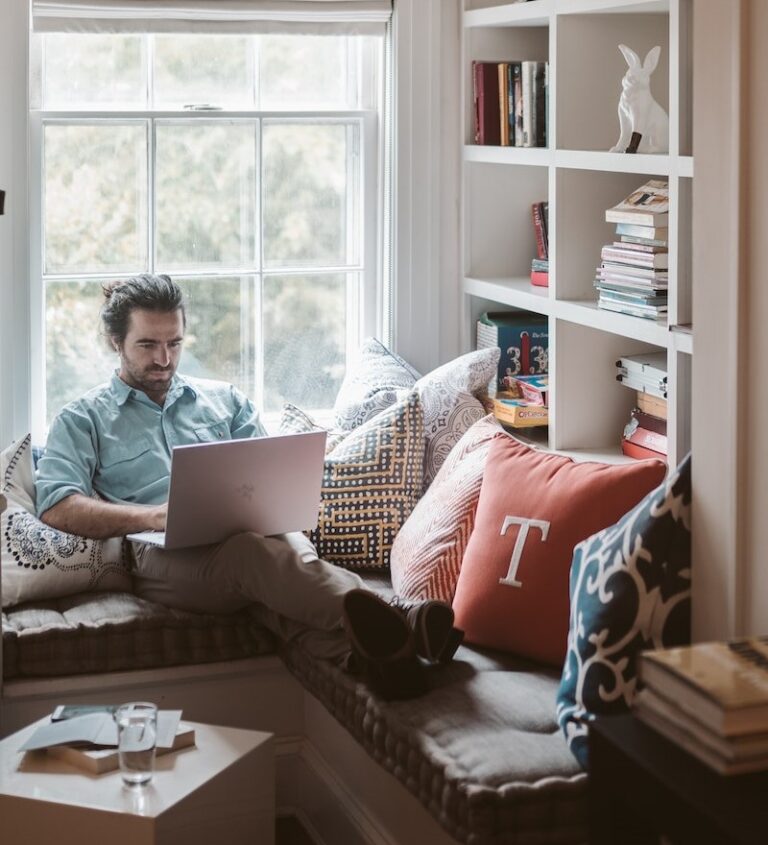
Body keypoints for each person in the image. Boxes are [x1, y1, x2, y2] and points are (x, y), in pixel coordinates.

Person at [35, 274, 460, 698]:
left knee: (272, 581)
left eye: (175, 343)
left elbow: (269, 475)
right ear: (116, 341)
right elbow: (57, 506)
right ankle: (402, 618)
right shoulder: (83, 418)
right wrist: (152, 516)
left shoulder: (226, 401)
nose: (164, 358)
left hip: (257, 536)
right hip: (161, 556)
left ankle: (381, 661)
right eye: (147, 345)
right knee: (250, 556)